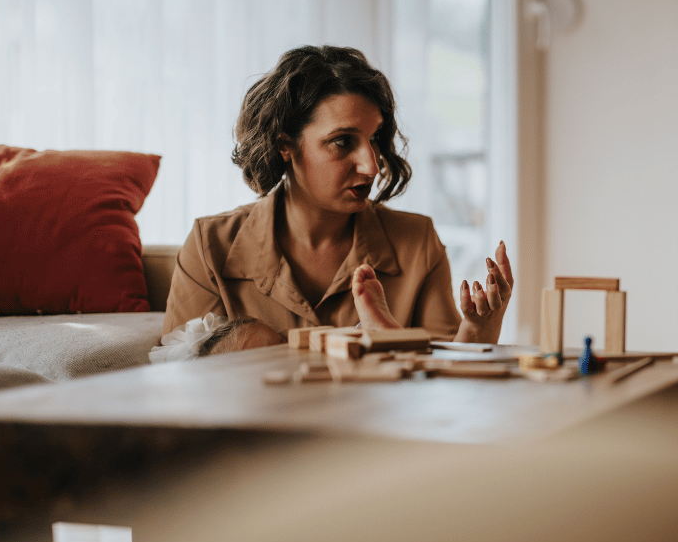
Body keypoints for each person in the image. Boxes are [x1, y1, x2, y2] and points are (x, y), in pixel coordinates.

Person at [159, 45, 512, 356]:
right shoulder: (210, 246)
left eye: (374, 139)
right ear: (285, 144)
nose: (371, 165)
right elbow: (178, 377)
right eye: (343, 141)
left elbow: (446, 384)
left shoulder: (417, 241)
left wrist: (479, 330)